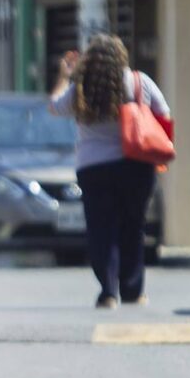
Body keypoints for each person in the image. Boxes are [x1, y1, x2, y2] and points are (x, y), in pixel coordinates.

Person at [49, 34, 171, 309]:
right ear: (122, 57)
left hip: (93, 168)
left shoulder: (81, 87)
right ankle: (133, 290)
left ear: (89, 59)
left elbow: (55, 106)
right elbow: (164, 113)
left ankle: (108, 291)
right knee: (133, 227)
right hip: (136, 165)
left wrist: (64, 76)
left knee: (101, 230)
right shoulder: (139, 82)